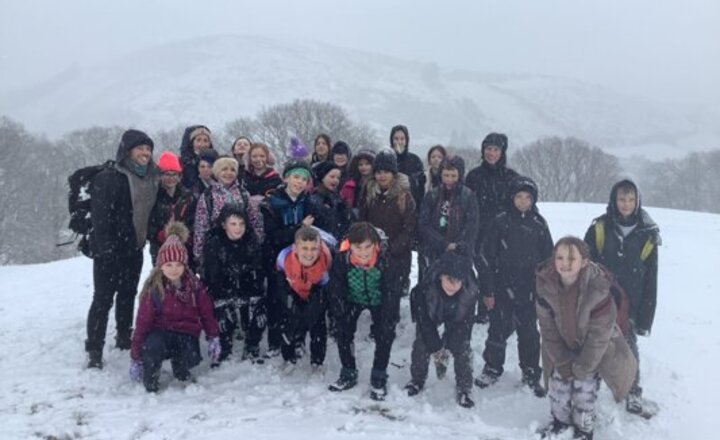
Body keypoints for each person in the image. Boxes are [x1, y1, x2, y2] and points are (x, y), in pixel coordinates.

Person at [535, 236, 638, 440]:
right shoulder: (545, 286)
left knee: (584, 387)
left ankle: (584, 428)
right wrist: (562, 360)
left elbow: (599, 336)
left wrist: (583, 366)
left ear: (584, 262)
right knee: (559, 382)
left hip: (594, 348)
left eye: (572, 258)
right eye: (560, 257)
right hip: (562, 344)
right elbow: (547, 330)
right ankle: (560, 421)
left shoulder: (598, 289)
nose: (565, 264)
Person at [583, 179, 660, 417]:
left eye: (630, 200)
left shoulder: (648, 233)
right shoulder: (599, 227)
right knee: (594, 345)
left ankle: (632, 391)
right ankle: (589, 389)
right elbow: (585, 265)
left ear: (637, 202)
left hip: (632, 305)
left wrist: (645, 318)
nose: (626, 204)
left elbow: (651, 279)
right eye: (621, 199)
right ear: (613, 201)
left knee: (627, 349)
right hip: (601, 301)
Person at [85, 129, 160, 369]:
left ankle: (124, 336)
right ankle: (94, 349)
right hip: (109, 250)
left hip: (133, 248)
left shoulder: (148, 177)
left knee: (128, 295)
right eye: (140, 148)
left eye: (148, 149)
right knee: (103, 299)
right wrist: (106, 248)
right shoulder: (110, 177)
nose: (145, 153)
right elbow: (100, 217)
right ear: (127, 151)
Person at [475, 176, 553, 396]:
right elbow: (486, 258)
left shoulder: (539, 223)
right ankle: (492, 368)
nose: (523, 201)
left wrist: (545, 290)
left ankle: (530, 373)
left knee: (528, 333)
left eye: (528, 197)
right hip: (501, 287)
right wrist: (488, 290)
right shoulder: (500, 222)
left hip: (529, 289)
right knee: (497, 330)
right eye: (519, 196)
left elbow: (549, 259)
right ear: (511, 198)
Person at [129, 222, 221, 392]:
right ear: (161, 265)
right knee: (152, 348)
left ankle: (181, 366)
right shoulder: (154, 289)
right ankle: (151, 376)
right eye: (169, 265)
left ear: (185, 265)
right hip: (160, 332)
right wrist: (136, 356)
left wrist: (213, 336)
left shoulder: (194, 286)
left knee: (190, 357)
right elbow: (142, 324)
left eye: (178, 264)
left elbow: (206, 313)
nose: (174, 270)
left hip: (185, 332)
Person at [327, 222, 400, 401]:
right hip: (353, 298)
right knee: (342, 331)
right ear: (350, 246)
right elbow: (336, 288)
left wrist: (389, 315)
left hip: (378, 300)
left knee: (385, 333)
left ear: (375, 245)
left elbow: (392, 291)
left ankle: (379, 375)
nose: (363, 252)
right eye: (358, 247)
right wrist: (339, 312)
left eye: (368, 246)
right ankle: (348, 371)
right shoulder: (342, 260)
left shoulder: (386, 260)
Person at [406, 252, 479, 408]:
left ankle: (465, 387)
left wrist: (451, 345)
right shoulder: (424, 290)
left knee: (462, 346)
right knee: (422, 342)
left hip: (457, 315)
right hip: (433, 312)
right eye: (449, 280)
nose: (453, 285)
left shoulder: (470, 291)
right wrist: (437, 349)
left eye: (458, 281)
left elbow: (465, 324)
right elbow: (425, 323)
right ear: (441, 277)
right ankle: (417, 379)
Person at [262, 160, 320, 357]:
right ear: (286, 177)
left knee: (301, 299)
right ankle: (275, 341)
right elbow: (272, 235)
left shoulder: (310, 202)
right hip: (277, 259)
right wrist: (299, 228)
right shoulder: (271, 203)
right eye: (296, 176)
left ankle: (298, 338)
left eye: (304, 179)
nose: (299, 182)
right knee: (276, 300)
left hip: (303, 260)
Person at [465, 132, 519, 322]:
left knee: (502, 272)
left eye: (496, 149)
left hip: (504, 234)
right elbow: (465, 205)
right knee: (483, 271)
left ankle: (501, 309)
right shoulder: (473, 176)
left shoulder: (511, 177)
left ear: (502, 152)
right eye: (488, 149)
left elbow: (521, 204)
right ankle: (482, 309)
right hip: (479, 232)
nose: (492, 153)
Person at [202, 204, 266, 364]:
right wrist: (225, 292)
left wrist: (249, 289)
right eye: (233, 224)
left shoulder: (252, 241)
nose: (238, 228)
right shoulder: (213, 244)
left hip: (248, 288)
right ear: (224, 225)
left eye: (241, 224)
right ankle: (225, 346)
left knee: (259, 316)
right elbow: (212, 275)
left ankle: (252, 345)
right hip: (223, 290)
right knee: (223, 319)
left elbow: (258, 271)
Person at [360, 149, 417, 297]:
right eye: (378, 172)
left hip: (397, 255)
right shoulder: (369, 193)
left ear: (394, 173)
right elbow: (362, 221)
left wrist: (393, 248)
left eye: (386, 172)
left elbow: (409, 228)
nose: (382, 176)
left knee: (391, 298)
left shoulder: (404, 196)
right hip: (372, 252)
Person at [275, 226, 334, 367]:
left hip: (315, 288)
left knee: (317, 321)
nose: (309, 253)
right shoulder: (283, 258)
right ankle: (288, 357)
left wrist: (306, 318)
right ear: (295, 248)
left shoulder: (324, 263)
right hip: (293, 285)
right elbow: (279, 282)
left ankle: (317, 361)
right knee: (288, 316)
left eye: (314, 249)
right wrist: (288, 299)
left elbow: (323, 293)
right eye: (305, 248)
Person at [193, 157, 263, 272]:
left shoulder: (243, 193)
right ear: (217, 172)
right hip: (217, 247)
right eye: (224, 169)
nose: (228, 173)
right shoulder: (208, 195)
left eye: (232, 170)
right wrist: (199, 254)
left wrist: (257, 242)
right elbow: (201, 225)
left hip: (242, 245)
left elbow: (254, 219)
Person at [417, 156, 478, 281]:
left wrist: (458, 245)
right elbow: (423, 224)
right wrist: (442, 243)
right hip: (433, 252)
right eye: (446, 175)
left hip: (460, 253)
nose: (449, 180)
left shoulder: (468, 196)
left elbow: (472, 224)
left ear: (460, 175)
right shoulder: (432, 195)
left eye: (453, 176)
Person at [148, 151, 195, 266]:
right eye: (167, 174)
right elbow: (147, 222)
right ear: (160, 176)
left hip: (184, 246)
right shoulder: (153, 196)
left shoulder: (187, 196)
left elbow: (193, 220)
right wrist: (157, 234)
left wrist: (188, 235)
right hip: (160, 247)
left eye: (175, 174)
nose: (171, 178)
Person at [310, 161, 352, 241]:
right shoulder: (314, 200)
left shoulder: (339, 199)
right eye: (332, 177)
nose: (335, 180)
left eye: (338, 178)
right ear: (322, 178)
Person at [389, 124, 426, 210]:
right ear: (391, 140)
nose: (399, 142)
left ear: (406, 140)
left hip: (411, 207)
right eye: (396, 139)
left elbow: (420, 189)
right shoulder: (387, 159)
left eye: (402, 139)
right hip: (390, 207)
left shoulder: (415, 160)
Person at [340, 149, 375, 217]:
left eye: (367, 164)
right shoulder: (350, 185)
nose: (363, 167)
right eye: (360, 164)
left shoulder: (378, 185)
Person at [179, 125, 216, 190]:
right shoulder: (182, 163)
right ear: (191, 143)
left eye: (205, 141)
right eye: (198, 140)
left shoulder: (216, 162)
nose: (202, 144)